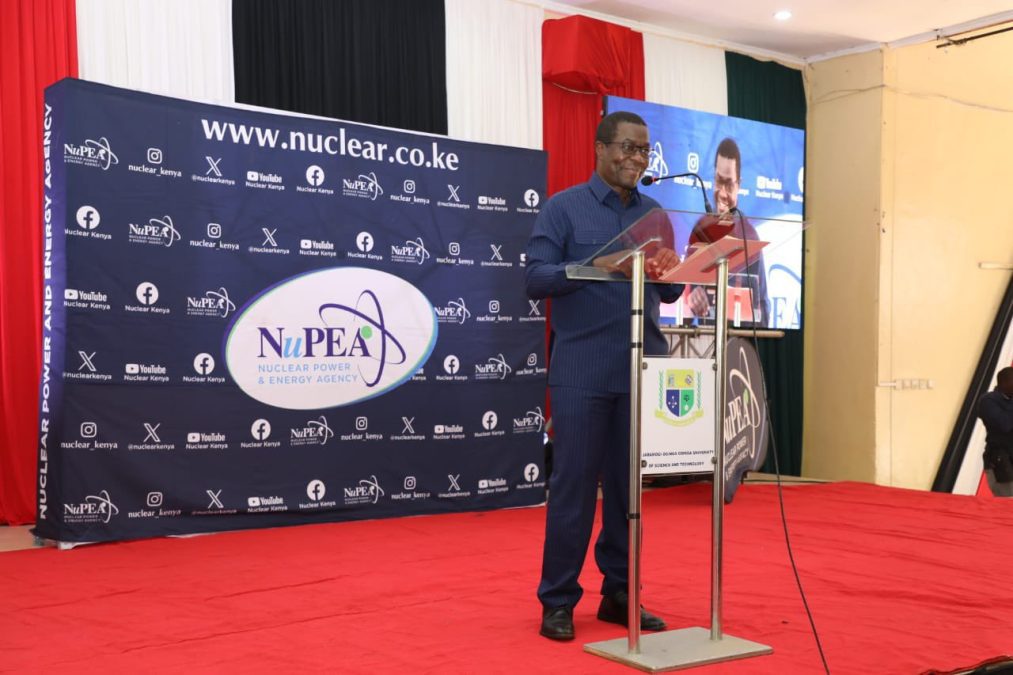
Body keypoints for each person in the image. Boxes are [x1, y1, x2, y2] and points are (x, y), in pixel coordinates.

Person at [525, 111, 681, 641]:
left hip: (640, 370)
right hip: (581, 373)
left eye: (644, 152)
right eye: (628, 148)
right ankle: (558, 600)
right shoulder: (563, 208)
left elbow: (670, 293)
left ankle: (620, 593)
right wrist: (603, 266)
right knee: (573, 490)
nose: (637, 159)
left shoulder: (656, 213)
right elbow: (536, 278)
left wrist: (670, 270)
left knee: (626, 494)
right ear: (599, 148)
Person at [686, 137, 770, 326]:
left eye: (729, 184)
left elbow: (763, 306)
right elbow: (681, 291)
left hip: (739, 343)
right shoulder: (701, 230)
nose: (723, 193)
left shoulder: (750, 237)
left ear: (739, 185)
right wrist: (691, 295)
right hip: (701, 343)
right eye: (719, 181)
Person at [978, 367, 1013, 496]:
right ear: (1003, 382)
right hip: (1001, 461)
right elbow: (1005, 425)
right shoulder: (988, 401)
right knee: (1007, 505)